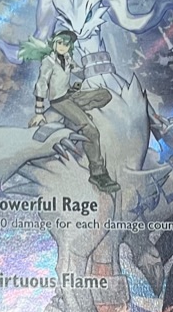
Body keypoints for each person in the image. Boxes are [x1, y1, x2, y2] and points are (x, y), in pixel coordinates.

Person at [24, 28, 119, 192]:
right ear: (54, 43)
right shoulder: (49, 61)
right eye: (60, 43)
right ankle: (98, 173)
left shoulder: (67, 58)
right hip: (59, 101)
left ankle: (75, 117)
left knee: (104, 95)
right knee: (91, 131)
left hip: (71, 95)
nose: (63, 46)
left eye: (66, 44)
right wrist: (39, 112)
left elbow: (79, 72)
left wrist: (94, 70)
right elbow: (41, 84)